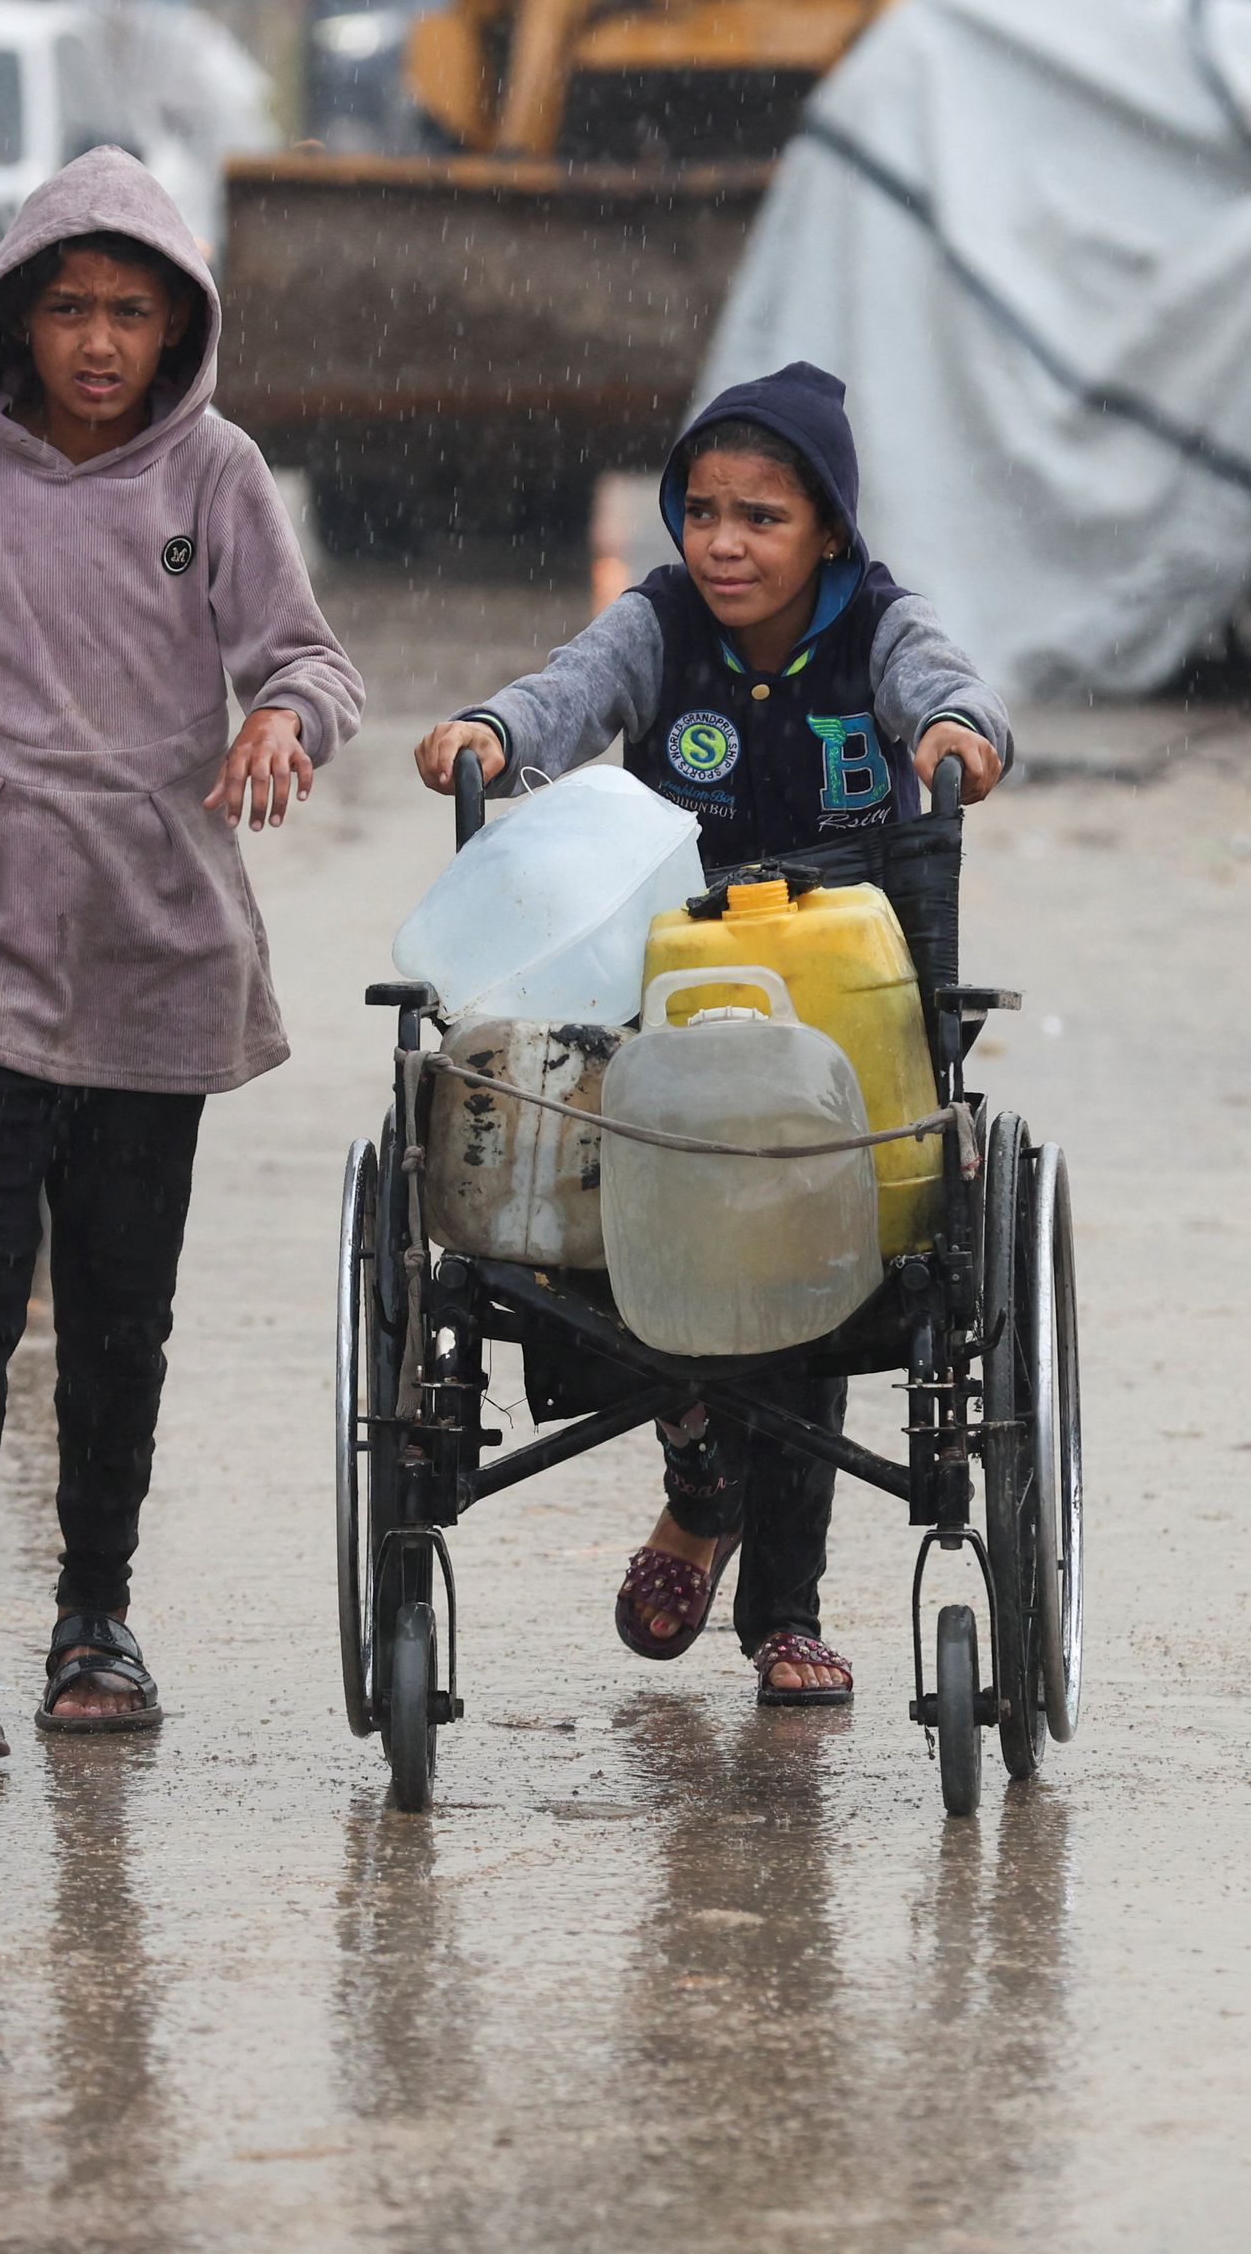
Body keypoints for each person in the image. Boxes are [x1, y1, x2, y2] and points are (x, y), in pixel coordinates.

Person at [0, 148, 366, 1772]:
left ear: (178, 323)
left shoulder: (216, 474)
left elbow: (311, 657)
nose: (101, 341)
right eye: (69, 309)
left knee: (119, 1320)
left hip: (155, 952)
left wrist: (281, 720)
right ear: (18, 317)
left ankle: (94, 1623)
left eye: (132, 311)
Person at [414, 361, 1009, 1706]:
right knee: (615, 1224)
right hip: (671, 988)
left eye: (762, 518)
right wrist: (494, 733)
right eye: (703, 513)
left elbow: (950, 691)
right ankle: (699, 1481)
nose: (724, 544)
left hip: (835, 1004)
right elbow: (568, 694)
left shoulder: (881, 626)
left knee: (814, 1252)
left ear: (829, 533)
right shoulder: (661, 624)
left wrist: (960, 733)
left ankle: (784, 1611)